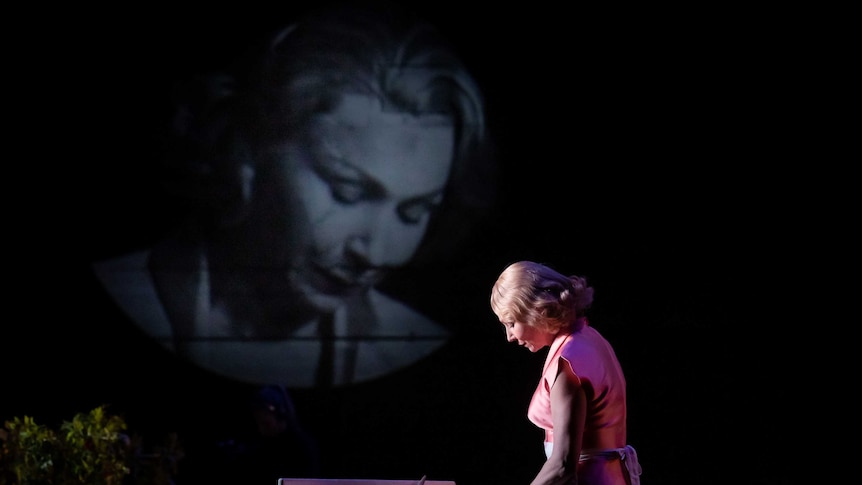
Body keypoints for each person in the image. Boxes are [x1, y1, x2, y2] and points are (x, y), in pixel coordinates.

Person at [92, 2, 495, 387]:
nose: (377, 253)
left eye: (414, 212)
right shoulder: (130, 294)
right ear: (246, 154)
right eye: (347, 191)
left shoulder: (404, 340)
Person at [489, 261, 642, 485]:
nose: (509, 336)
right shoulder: (590, 338)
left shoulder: (568, 360)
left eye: (511, 323)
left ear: (537, 310)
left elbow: (562, 467)